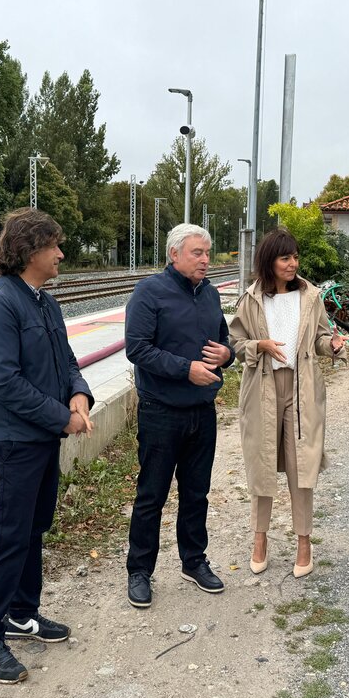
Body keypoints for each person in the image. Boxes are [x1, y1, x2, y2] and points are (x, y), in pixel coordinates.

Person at [0, 208, 94, 684]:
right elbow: (3, 381)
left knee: (33, 528)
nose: (61, 254)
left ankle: (22, 613)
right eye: (54, 246)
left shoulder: (45, 301)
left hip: (43, 439)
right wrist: (63, 417)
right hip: (13, 442)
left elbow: (66, 360)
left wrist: (79, 392)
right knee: (7, 535)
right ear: (29, 250)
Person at [124, 223, 234, 608]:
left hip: (201, 411)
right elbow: (137, 349)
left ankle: (194, 561)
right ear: (174, 254)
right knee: (152, 494)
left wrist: (228, 354)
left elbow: (223, 341)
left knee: (196, 492)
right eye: (197, 253)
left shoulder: (209, 295)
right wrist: (185, 368)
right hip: (161, 411)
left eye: (207, 253)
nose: (205, 260)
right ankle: (139, 570)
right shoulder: (149, 293)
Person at [229, 229, 345, 578]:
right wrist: (258, 345)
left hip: (302, 386)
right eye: (285, 258)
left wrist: (333, 345)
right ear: (269, 261)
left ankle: (304, 542)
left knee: (302, 467)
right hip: (262, 386)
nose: (293, 263)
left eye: (295, 256)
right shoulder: (251, 299)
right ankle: (260, 539)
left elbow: (322, 337)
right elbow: (235, 344)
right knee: (262, 464)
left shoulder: (310, 296)